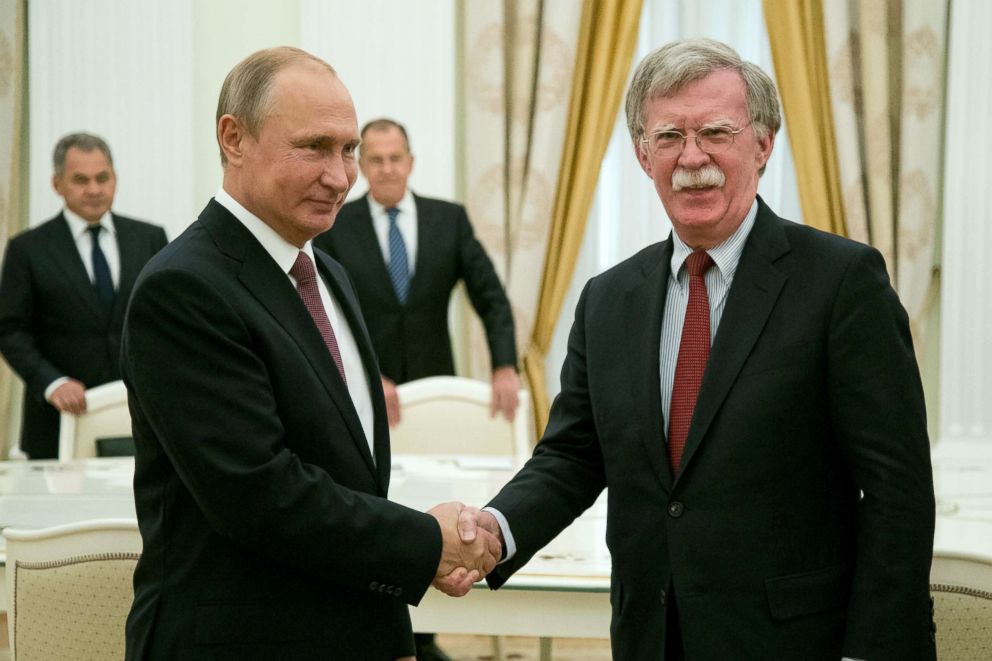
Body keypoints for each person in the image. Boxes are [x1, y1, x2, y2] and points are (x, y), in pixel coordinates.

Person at [460, 38, 937, 660]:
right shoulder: (607, 300)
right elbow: (573, 457)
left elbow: (897, 489)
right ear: (641, 153)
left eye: (715, 131)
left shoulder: (843, 282)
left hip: (799, 643)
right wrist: (495, 531)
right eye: (668, 137)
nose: (692, 157)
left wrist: (871, 650)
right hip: (652, 638)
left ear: (762, 144)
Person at [120, 47, 499, 660]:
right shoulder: (184, 288)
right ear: (233, 138)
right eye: (314, 147)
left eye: (347, 149)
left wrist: (389, 635)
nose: (342, 176)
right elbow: (261, 495)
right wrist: (426, 542)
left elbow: (349, 478)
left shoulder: (324, 273)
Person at [313, 118, 520, 430]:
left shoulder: (449, 220)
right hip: (365, 391)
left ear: (410, 162)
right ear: (361, 166)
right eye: (376, 160)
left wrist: (504, 365)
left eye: (395, 158)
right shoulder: (334, 226)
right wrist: (365, 374)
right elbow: (324, 314)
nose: (387, 169)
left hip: (437, 388)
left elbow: (492, 299)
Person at [0, 133, 168, 459]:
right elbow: (9, 329)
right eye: (80, 180)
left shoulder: (150, 238)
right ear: (57, 184)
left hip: (139, 417)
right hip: (57, 421)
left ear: (114, 179)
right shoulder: (27, 249)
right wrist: (51, 382)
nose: (94, 189)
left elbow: (165, 320)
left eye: (102, 178)